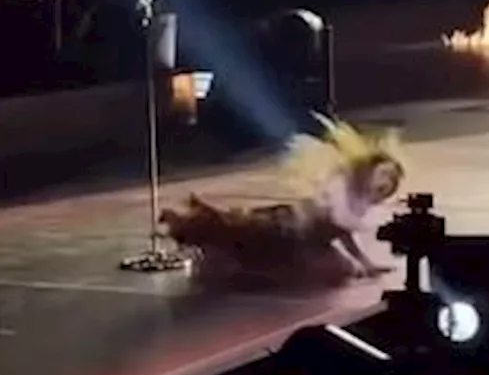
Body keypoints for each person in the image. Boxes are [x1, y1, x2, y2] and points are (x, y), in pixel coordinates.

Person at [159, 116, 405, 287]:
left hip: (301, 237)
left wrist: (365, 263)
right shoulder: (342, 189)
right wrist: (363, 263)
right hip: (287, 230)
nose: (385, 184)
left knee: (337, 270)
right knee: (239, 233)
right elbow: (340, 230)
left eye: (389, 181)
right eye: (383, 175)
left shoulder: (357, 199)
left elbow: (342, 233)